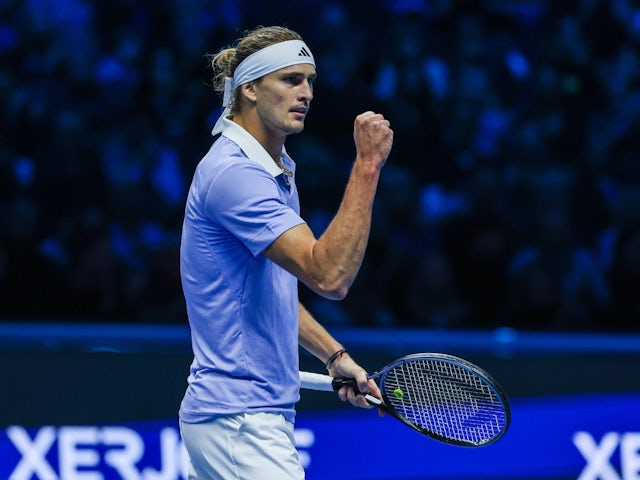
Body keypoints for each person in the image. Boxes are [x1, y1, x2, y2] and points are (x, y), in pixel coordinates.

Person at [178, 25, 393, 479]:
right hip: (240, 422)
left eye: (310, 80)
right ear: (250, 88)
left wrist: (335, 356)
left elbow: (265, 292)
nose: (307, 93)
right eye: (291, 79)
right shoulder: (236, 176)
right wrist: (368, 164)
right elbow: (330, 276)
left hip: (239, 419)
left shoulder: (271, 168)